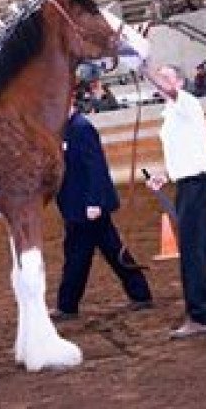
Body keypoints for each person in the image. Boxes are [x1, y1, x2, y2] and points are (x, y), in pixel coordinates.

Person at [50, 78, 153, 321]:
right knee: (110, 249)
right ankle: (140, 293)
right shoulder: (63, 130)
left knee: (77, 255)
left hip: (86, 206)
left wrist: (95, 202)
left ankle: (67, 305)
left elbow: (96, 168)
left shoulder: (81, 128)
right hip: (76, 205)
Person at [141, 63, 206, 339]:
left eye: (167, 77)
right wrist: (164, 175)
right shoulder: (172, 112)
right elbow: (187, 151)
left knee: (192, 251)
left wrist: (142, 65)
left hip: (197, 186)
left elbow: (165, 88)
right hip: (190, 184)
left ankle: (200, 316)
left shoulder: (186, 102)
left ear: (178, 82)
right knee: (195, 249)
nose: (162, 82)